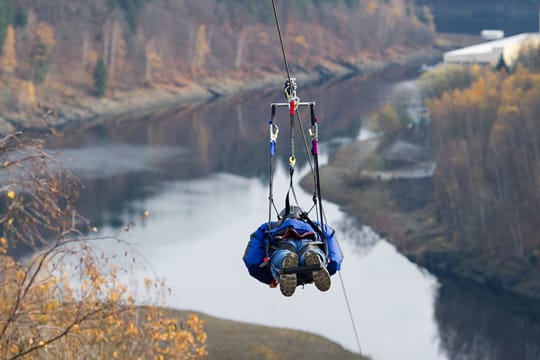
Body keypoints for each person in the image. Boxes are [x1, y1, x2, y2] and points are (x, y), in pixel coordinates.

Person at [243, 206, 343, 297]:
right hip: (307, 241)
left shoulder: (268, 227)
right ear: (302, 217)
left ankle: (285, 259)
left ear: (281, 217)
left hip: (283, 243)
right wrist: (330, 267)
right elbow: (334, 253)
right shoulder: (314, 225)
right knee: (312, 250)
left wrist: (268, 279)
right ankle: (314, 257)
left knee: (281, 255)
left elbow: (252, 260)